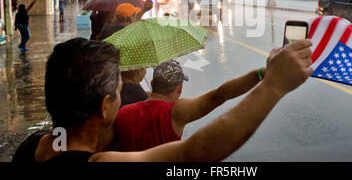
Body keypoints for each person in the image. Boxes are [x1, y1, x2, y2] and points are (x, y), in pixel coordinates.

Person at [12, 37, 312, 163]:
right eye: (118, 90)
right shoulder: (100, 162)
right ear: (104, 107)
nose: (122, 95)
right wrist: (273, 85)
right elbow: (194, 152)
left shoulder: (29, 148)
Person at [114, 60, 268, 152]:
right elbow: (220, 95)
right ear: (180, 88)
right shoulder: (176, 113)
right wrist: (260, 73)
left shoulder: (123, 112)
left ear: (153, 84)